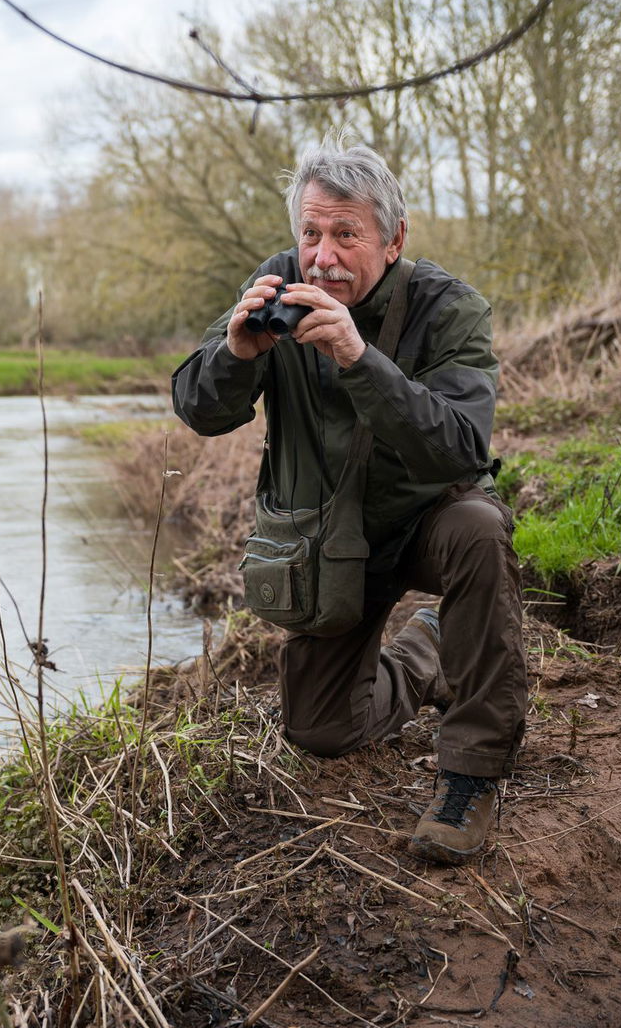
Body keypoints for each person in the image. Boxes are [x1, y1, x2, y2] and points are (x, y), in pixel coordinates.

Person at [170, 140, 526, 865]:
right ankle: (425, 653)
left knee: (482, 530)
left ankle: (471, 775)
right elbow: (198, 410)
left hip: (430, 519)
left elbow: (461, 446)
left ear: (394, 240)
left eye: (345, 234)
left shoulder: (449, 308)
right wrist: (235, 355)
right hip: (331, 540)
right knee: (321, 729)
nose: (322, 257)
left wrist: (362, 361)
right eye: (310, 233)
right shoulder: (276, 285)